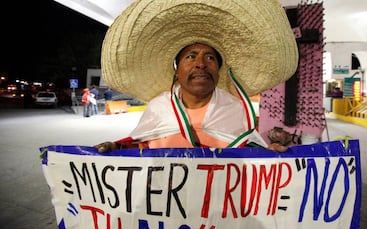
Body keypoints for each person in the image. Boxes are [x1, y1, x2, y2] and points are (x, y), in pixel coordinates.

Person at [95, 0, 298, 152]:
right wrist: (116, 148)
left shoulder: (234, 109)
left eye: (210, 58)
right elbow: (141, 147)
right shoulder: (159, 108)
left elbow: (251, 155)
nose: (200, 64)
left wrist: (270, 155)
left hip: (220, 205)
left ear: (218, 70)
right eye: (191, 57)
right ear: (176, 69)